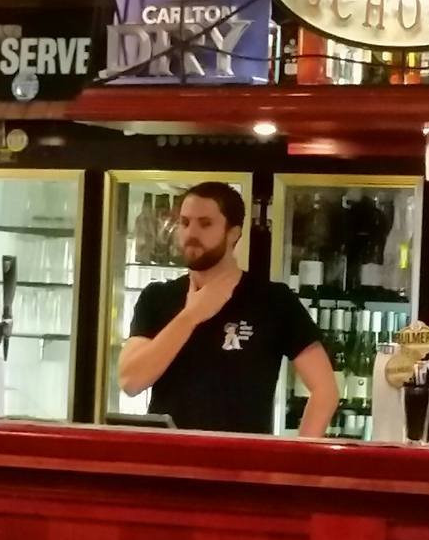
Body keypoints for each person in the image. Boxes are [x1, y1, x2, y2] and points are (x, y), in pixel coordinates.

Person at [119, 181, 338, 436]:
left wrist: (296, 456)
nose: (191, 233)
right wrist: (190, 316)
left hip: (242, 458)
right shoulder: (157, 297)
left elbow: (325, 391)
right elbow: (131, 382)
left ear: (233, 233)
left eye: (205, 224)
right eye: (185, 222)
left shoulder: (273, 300)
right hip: (169, 455)